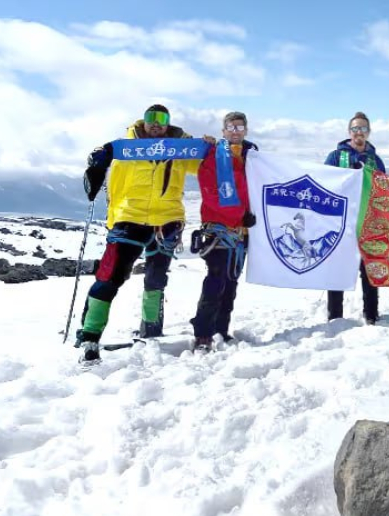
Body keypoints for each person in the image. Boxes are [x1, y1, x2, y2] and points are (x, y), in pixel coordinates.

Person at [78, 104, 200, 362]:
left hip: (167, 221)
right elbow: (100, 161)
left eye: (161, 118)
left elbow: (204, 166)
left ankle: (151, 331)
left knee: (156, 279)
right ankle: (89, 335)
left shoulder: (182, 147)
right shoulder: (125, 146)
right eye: (150, 118)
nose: (156, 123)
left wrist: (211, 148)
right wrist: (96, 163)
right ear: (142, 121)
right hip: (129, 218)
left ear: (168, 123)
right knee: (110, 276)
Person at [190, 111, 257, 351]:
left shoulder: (253, 157)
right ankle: (203, 333)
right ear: (223, 130)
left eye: (239, 127)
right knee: (215, 280)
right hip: (218, 229)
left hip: (242, 232)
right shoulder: (214, 156)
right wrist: (240, 215)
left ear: (245, 130)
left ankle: (221, 329)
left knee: (230, 282)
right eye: (231, 127)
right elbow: (210, 193)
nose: (235, 131)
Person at [324, 112, 386, 325]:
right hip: (341, 223)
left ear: (369, 132)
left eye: (363, 129)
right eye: (355, 128)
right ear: (349, 132)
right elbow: (323, 184)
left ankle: (371, 315)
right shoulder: (335, 157)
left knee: (369, 270)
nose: (359, 132)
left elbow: (384, 190)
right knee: (337, 270)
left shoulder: (375, 160)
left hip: (368, 223)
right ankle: (335, 317)